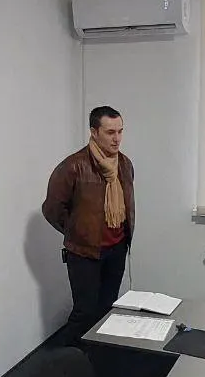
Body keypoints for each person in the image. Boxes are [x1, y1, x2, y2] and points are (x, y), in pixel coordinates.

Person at [42, 106, 136, 347]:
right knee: (84, 312)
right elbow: (52, 209)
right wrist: (79, 232)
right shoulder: (73, 166)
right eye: (110, 132)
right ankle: (66, 358)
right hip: (84, 252)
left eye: (120, 131)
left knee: (107, 308)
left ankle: (98, 356)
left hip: (117, 247)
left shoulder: (124, 164)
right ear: (94, 132)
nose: (117, 138)